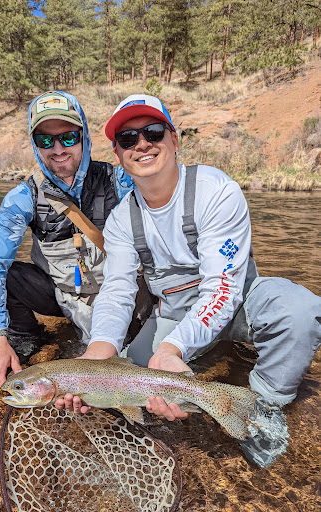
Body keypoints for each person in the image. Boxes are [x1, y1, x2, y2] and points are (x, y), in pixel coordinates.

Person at [56, 94, 321, 466]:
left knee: (301, 311)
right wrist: (99, 353)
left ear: (174, 140)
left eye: (153, 132)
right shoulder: (120, 220)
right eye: (128, 139)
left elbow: (224, 289)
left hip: (239, 299)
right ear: (118, 154)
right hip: (175, 313)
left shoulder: (217, 191)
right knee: (124, 393)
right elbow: (116, 293)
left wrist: (173, 349)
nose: (142, 144)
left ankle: (265, 407)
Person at [0, 91, 126, 388]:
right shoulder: (22, 198)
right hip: (59, 293)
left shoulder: (118, 182)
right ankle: (27, 338)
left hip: (115, 294)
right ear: (35, 144)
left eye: (68, 137)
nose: (58, 149)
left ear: (83, 136)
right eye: (45, 140)